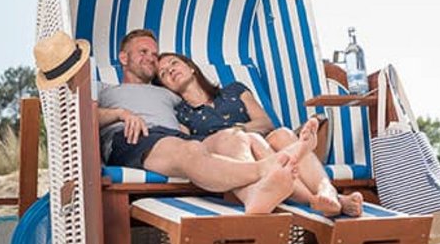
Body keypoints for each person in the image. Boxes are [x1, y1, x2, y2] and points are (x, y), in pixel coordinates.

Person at [34, 29, 314, 214]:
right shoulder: (105, 89)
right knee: (190, 151)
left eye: (154, 55)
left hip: (176, 138)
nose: (151, 59)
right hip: (135, 138)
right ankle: (265, 170)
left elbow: (204, 113)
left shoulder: (167, 93)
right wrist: (119, 114)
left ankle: (265, 197)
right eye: (142, 52)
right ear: (123, 57)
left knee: (233, 138)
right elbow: (77, 114)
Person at [157, 52, 364, 217]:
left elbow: (265, 123)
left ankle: (325, 189)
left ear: (191, 67)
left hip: (262, 140)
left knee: (282, 133)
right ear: (165, 87)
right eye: (164, 73)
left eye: (173, 64)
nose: (170, 71)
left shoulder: (234, 90)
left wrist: (242, 129)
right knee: (251, 140)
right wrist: (239, 135)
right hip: (233, 156)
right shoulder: (180, 114)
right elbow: (192, 148)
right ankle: (321, 200)